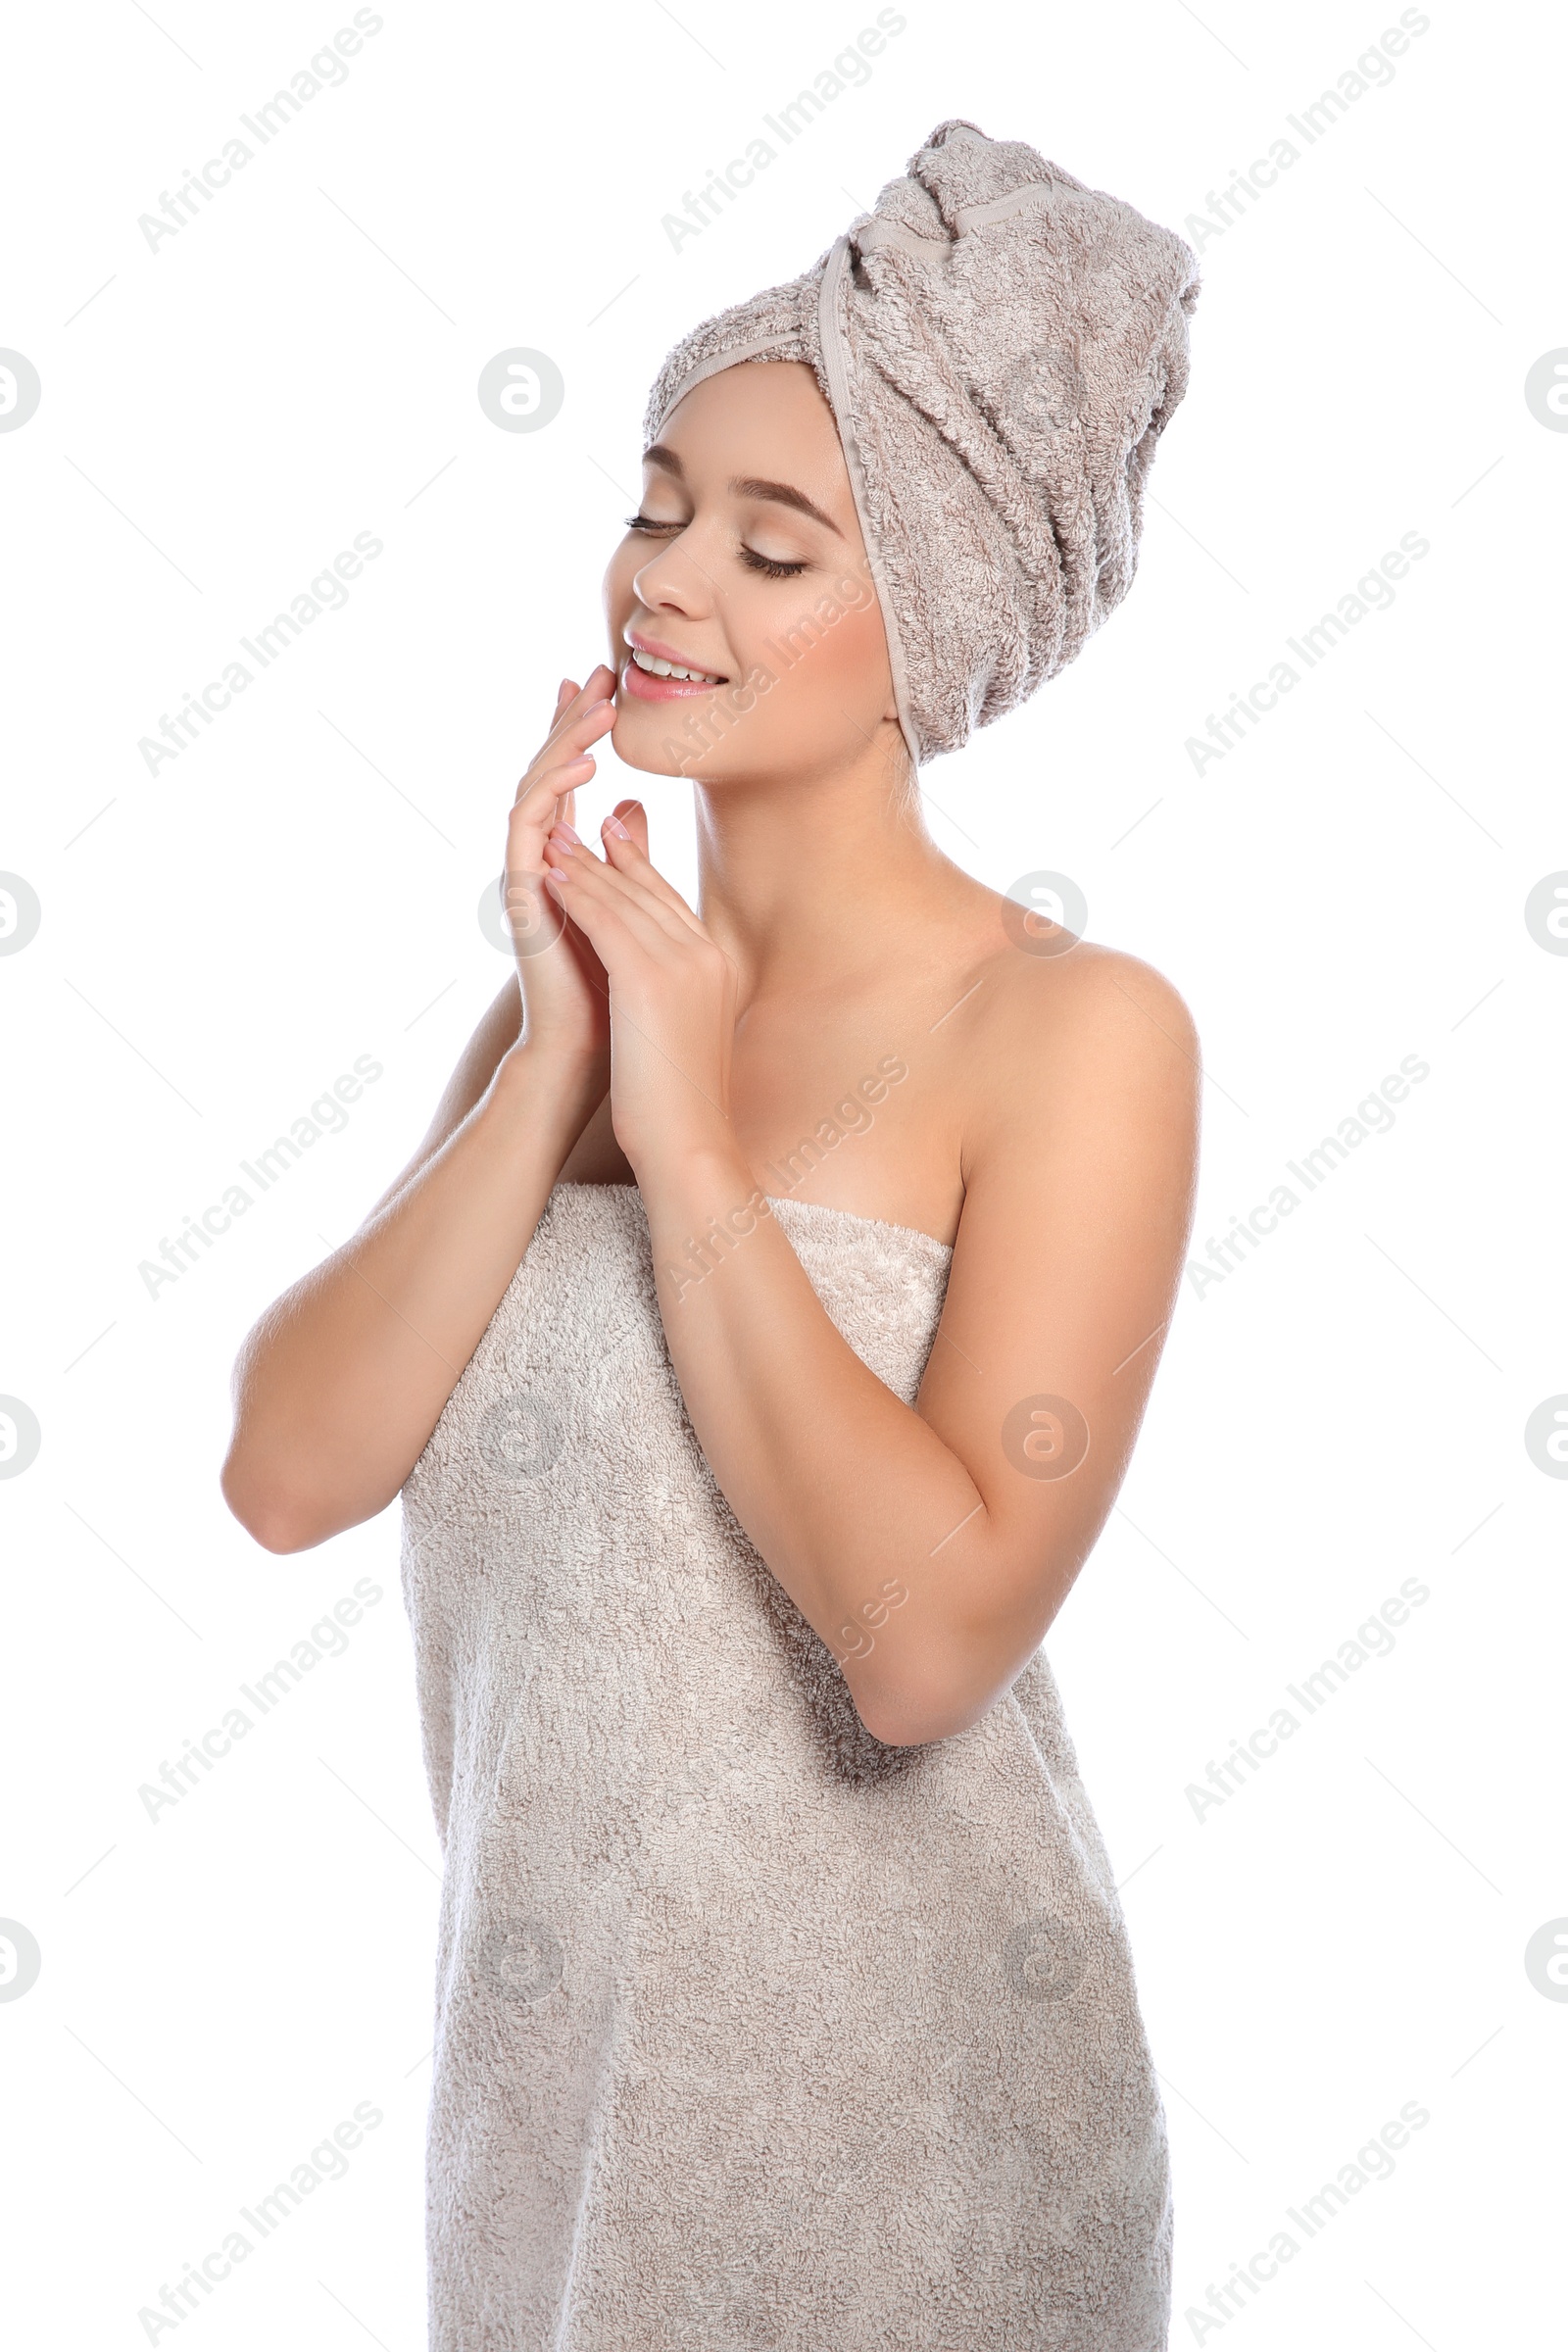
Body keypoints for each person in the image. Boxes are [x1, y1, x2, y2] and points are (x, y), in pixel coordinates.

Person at [223, 120, 1200, 2352]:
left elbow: (922, 1642)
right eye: (657, 507)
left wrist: (677, 1144)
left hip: (921, 2179)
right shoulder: (569, 1009)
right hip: (549, 2165)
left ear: (926, 632)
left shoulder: (1070, 1038)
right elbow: (285, 1471)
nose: (664, 582)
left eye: (774, 549)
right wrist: (564, 1052)